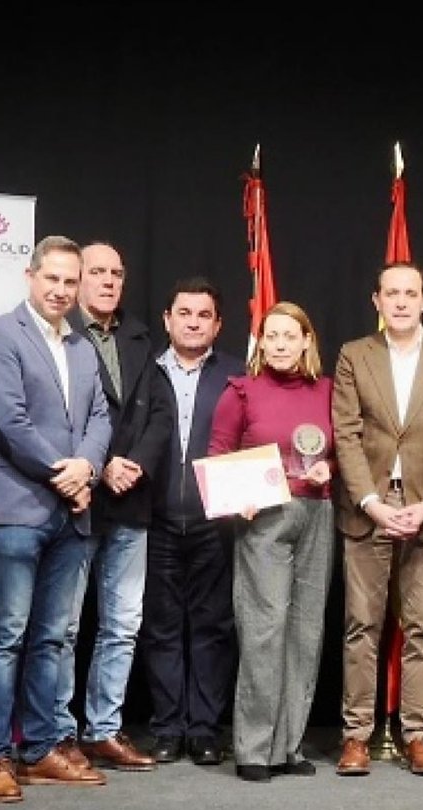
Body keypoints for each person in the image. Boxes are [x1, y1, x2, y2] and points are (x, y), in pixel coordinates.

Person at [0, 236, 111, 802]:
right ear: (30, 276)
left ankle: (42, 749)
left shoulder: (81, 346)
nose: (60, 290)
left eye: (70, 281)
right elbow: (7, 419)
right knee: (6, 636)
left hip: (71, 514)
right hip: (13, 510)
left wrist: (88, 468)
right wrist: (66, 472)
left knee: (54, 638)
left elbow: (100, 416)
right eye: (50, 278)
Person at [332, 262, 423, 777]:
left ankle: (418, 734)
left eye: (410, 293)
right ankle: (355, 737)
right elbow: (344, 435)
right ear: (377, 300)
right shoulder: (353, 355)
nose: (401, 302)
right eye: (391, 293)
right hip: (368, 510)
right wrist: (371, 502)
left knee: (422, 631)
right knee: (360, 629)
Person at [207, 302, 336, 782]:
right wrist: (234, 496)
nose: (280, 344)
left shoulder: (327, 391)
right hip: (263, 517)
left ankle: (289, 746)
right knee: (264, 629)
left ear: (307, 341)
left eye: (289, 336)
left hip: (317, 513)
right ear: (260, 342)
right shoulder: (241, 391)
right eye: (272, 335)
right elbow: (218, 454)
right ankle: (255, 749)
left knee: (306, 631)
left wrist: (330, 469)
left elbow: (339, 449)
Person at [59, 241, 169, 773]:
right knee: (65, 626)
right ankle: (59, 732)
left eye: (116, 273)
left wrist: (136, 463)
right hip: (77, 499)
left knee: (122, 623)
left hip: (131, 500)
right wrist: (101, 467)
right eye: (97, 271)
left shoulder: (140, 338)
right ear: (77, 277)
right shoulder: (58, 331)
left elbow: (161, 415)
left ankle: (104, 729)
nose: (107, 280)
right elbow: (60, 417)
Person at [139, 277, 245, 767]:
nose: (194, 322)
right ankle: (167, 728)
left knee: (211, 627)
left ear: (218, 324)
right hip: (154, 519)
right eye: (185, 313)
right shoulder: (145, 371)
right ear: (167, 319)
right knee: (160, 628)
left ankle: (203, 729)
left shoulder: (236, 377)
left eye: (204, 315)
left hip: (215, 522)